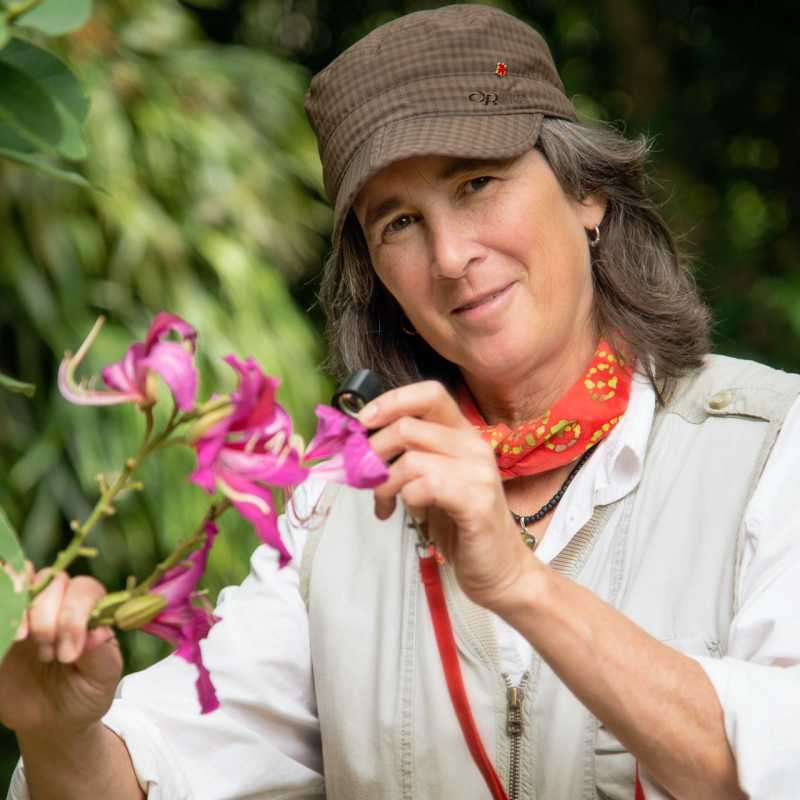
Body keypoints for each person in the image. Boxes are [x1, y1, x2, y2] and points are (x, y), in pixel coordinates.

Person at [4, 5, 800, 799]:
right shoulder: (338, 506)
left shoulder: (769, 446)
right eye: (400, 222)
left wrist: (520, 586)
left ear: (586, 192)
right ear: (375, 277)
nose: (451, 257)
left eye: (477, 183)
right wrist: (58, 733)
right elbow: (150, 770)